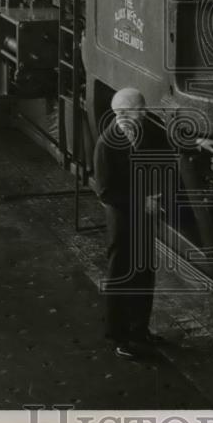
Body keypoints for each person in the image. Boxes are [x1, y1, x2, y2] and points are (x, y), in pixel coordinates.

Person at [92, 87, 165, 360]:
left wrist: (196, 144)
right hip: (123, 220)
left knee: (145, 273)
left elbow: (167, 141)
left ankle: (140, 329)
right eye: (118, 113)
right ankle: (119, 337)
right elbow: (105, 192)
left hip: (144, 219)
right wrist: (143, 201)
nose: (120, 118)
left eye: (130, 112)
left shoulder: (145, 129)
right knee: (121, 275)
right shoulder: (106, 144)